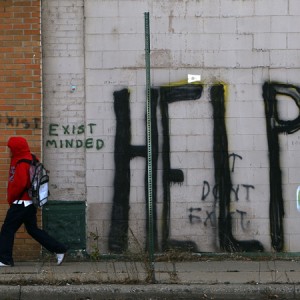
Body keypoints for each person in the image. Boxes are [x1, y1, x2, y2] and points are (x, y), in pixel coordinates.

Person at [0, 136, 67, 267]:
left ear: (16, 149)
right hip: (30, 202)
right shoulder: (31, 158)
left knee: (7, 229)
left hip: (21, 202)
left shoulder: (21, 162)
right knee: (32, 230)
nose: (9, 151)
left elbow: (19, 184)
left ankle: (5, 259)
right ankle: (59, 249)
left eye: (10, 149)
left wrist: (11, 199)